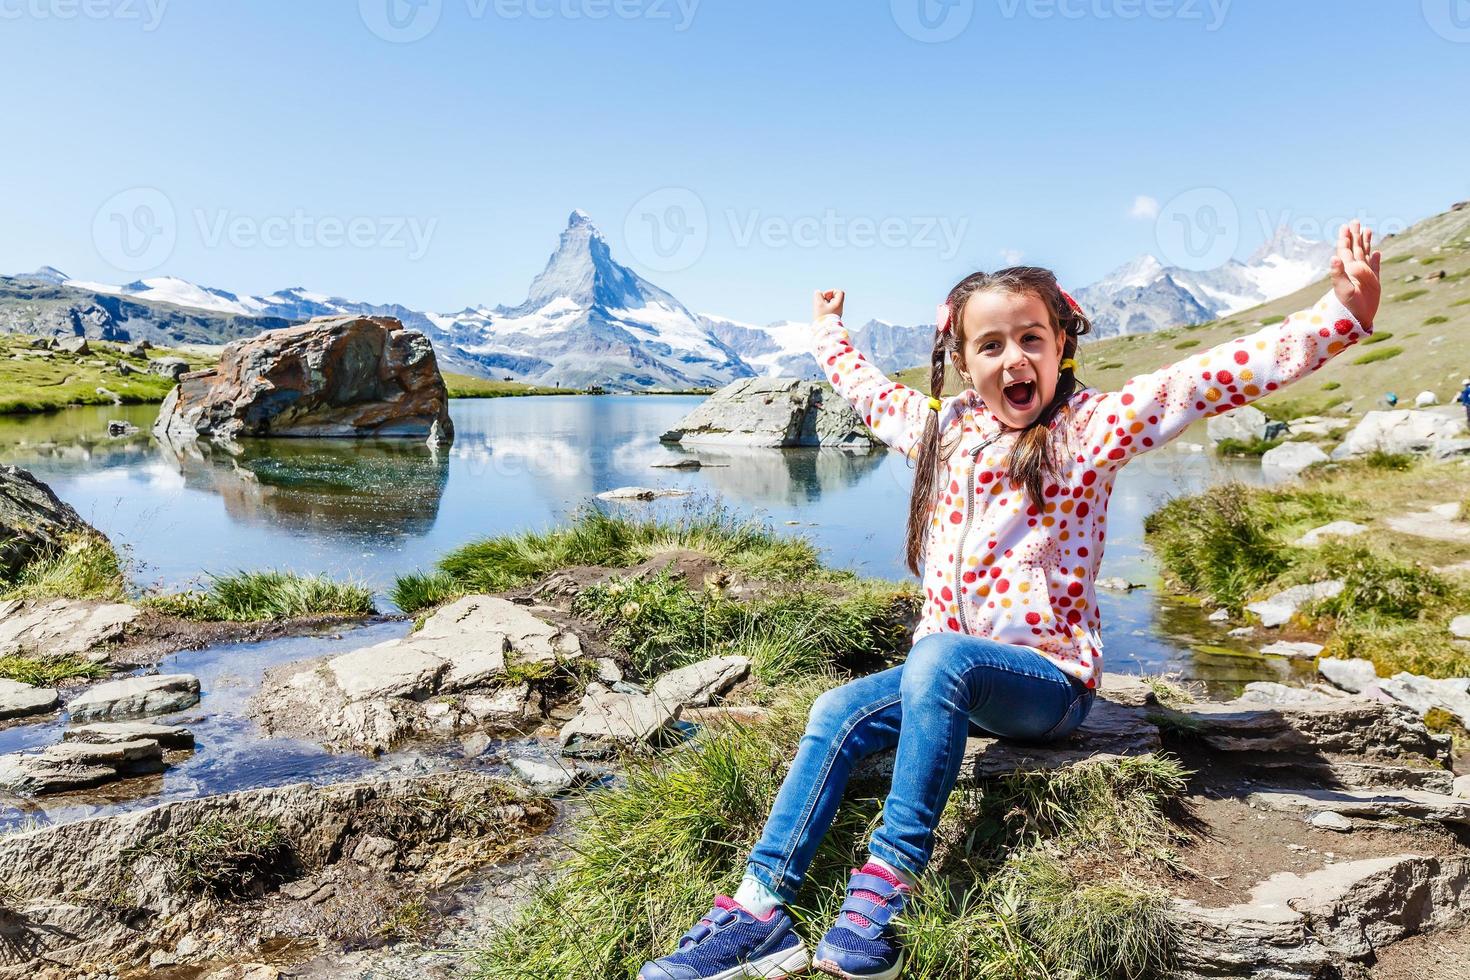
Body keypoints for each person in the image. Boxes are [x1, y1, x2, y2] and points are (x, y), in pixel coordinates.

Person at [638, 222, 1382, 980]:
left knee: (937, 659)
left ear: (1063, 344)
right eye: (989, 346)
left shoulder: (1089, 429)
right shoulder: (942, 432)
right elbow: (863, 390)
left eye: (1031, 337)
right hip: (947, 675)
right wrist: (828, 331)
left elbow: (1200, 379)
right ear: (961, 362)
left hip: (1047, 689)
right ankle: (759, 910)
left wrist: (1340, 316)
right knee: (836, 711)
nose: (1013, 359)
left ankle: (886, 886)